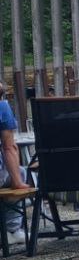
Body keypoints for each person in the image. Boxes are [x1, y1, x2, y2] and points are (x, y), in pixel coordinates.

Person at [0, 79, 29, 244]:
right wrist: (18, 183)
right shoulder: (2, 108)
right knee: (20, 172)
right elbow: (9, 148)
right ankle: (12, 230)